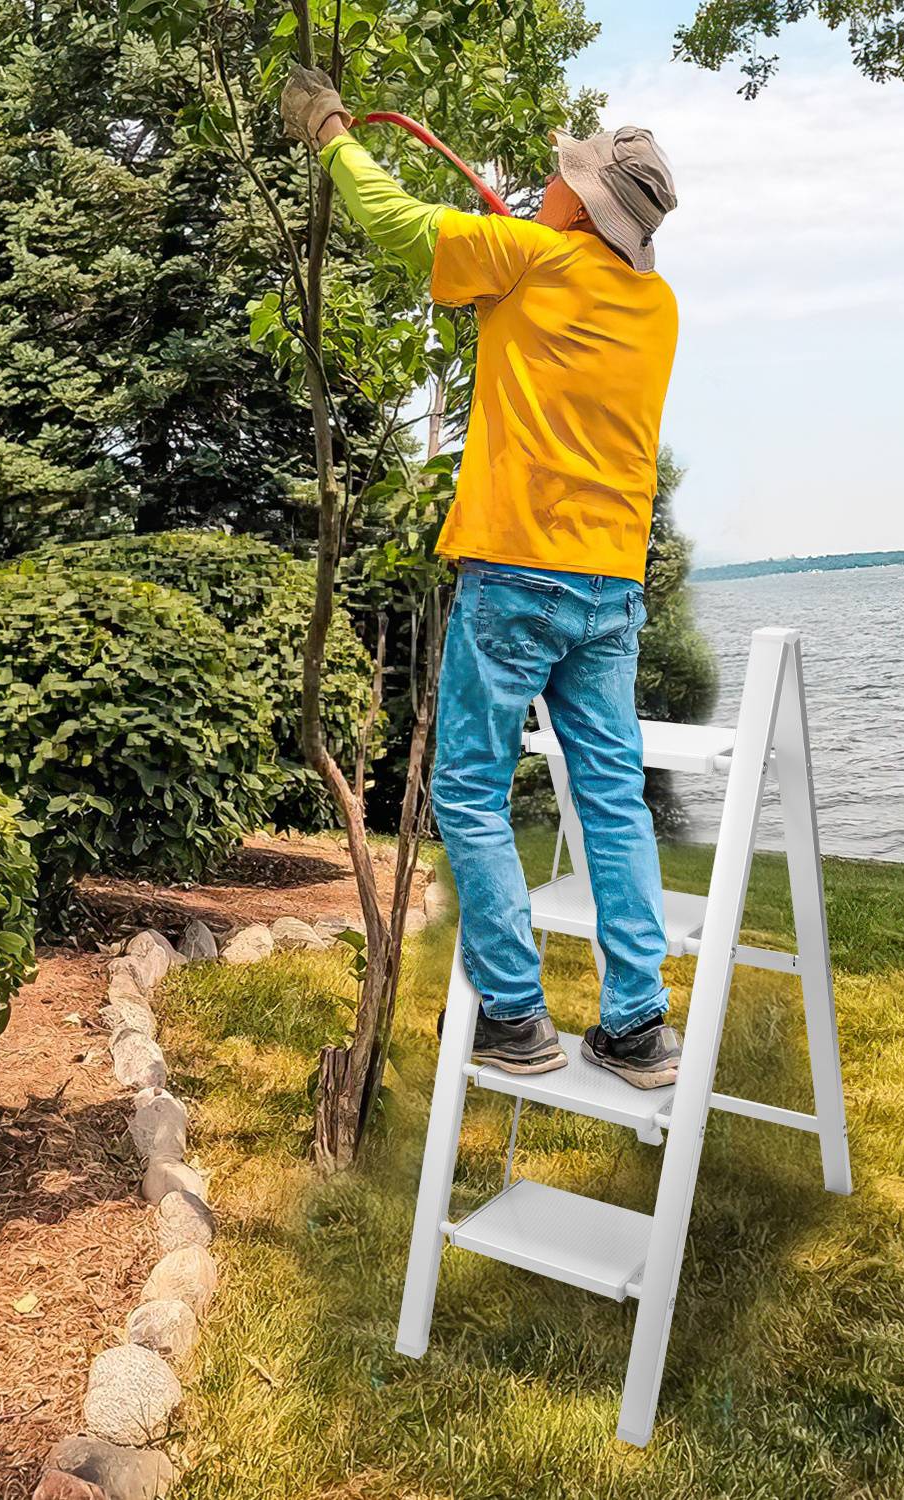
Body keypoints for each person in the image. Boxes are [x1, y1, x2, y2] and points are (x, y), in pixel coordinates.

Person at [281, 66, 682, 1089]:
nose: (549, 183)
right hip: (609, 587)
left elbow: (395, 224)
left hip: (515, 575)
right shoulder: (657, 306)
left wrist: (331, 133)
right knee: (612, 799)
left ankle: (514, 1017)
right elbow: (546, 299)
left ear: (580, 206)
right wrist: (520, 248)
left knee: (467, 788)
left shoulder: (527, 258)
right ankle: (639, 1026)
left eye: (564, 179)